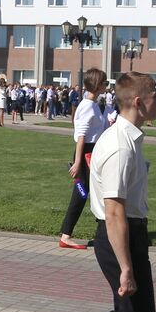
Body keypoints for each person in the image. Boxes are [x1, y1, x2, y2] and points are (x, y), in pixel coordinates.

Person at [32, 72, 156, 312]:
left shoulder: (128, 138)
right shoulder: (120, 146)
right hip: (120, 238)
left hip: (127, 236)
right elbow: (114, 211)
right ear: (139, 102)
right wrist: (126, 267)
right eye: (155, 93)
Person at [60, 68, 109, 250]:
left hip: (92, 153)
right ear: (97, 85)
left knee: (96, 193)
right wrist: (78, 163)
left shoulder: (93, 104)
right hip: (86, 154)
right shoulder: (87, 106)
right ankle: (66, 235)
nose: (106, 86)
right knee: (81, 194)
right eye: (104, 83)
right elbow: (81, 136)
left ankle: (104, 234)